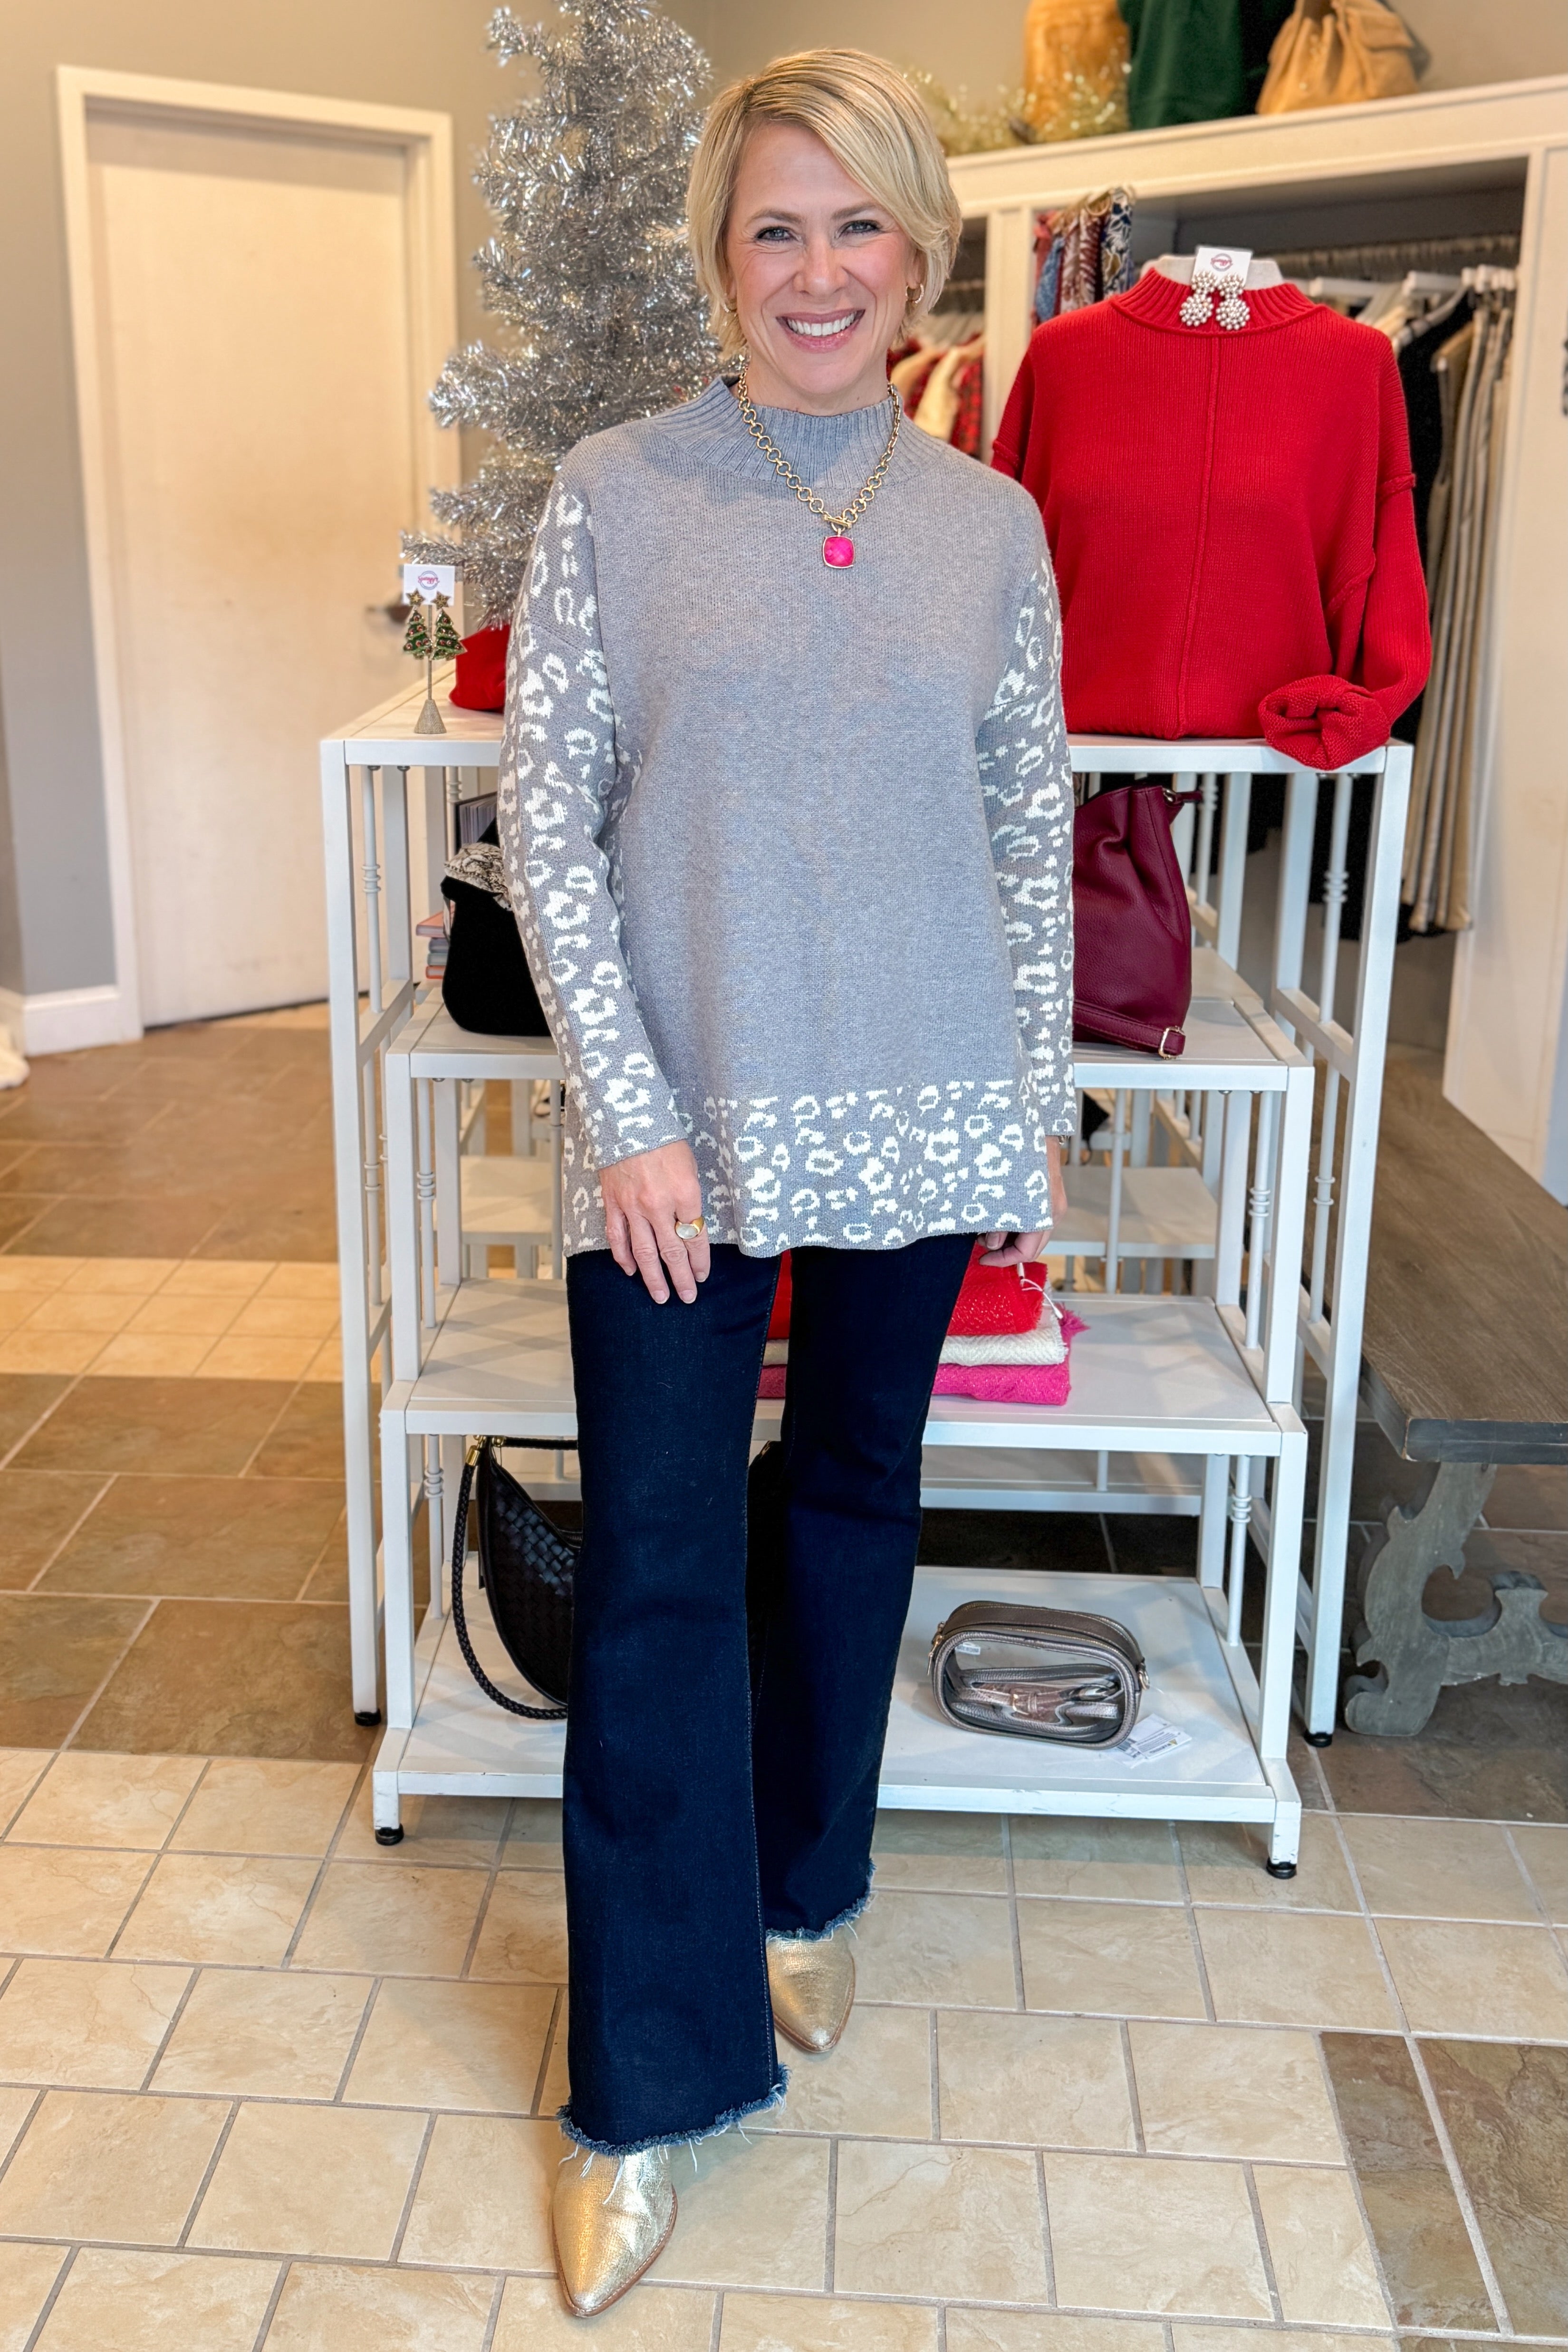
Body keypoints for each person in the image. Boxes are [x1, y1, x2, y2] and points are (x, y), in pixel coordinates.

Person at [497, 46, 1075, 2318]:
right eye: (774, 228)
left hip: (924, 1108)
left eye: (857, 227)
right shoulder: (617, 497)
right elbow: (550, 818)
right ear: (720, 260)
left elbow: (1027, 826)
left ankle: (805, 1886)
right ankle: (645, 2084)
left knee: (851, 1503)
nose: (817, 272)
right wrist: (627, 1107)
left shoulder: (990, 530)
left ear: (919, 249)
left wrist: (1025, 1097)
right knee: (652, 1573)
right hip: (680, 1134)